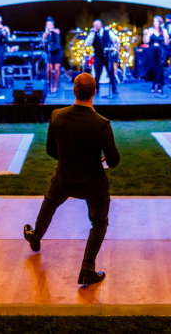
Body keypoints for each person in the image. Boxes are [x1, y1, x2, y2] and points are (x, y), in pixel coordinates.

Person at [23, 73, 120, 286]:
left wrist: (70, 158)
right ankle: (86, 269)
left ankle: (36, 236)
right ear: (95, 92)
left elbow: (51, 150)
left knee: (51, 200)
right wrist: (96, 160)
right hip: (93, 184)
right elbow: (113, 161)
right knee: (99, 222)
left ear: (73, 91)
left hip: (64, 178)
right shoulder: (101, 124)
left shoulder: (57, 115)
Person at [84, 19, 120, 94]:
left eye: (97, 25)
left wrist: (114, 44)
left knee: (111, 72)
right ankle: (96, 89)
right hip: (98, 56)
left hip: (107, 56)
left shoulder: (107, 32)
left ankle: (114, 88)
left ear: (101, 25)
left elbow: (116, 39)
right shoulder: (93, 34)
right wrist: (92, 34)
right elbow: (87, 43)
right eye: (94, 25)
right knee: (97, 74)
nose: (95, 27)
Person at [143, 15, 170, 94]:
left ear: (160, 22)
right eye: (154, 21)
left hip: (160, 51)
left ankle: (159, 84)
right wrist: (145, 34)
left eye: (157, 21)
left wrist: (166, 36)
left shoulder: (163, 30)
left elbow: (166, 43)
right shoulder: (150, 30)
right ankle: (153, 83)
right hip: (152, 51)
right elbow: (146, 41)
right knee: (153, 67)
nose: (155, 23)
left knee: (160, 67)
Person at [42, 17, 62, 93]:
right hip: (49, 52)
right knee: (49, 70)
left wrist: (51, 30)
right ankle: (50, 85)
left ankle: (56, 85)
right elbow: (43, 44)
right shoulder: (45, 34)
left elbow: (58, 32)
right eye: (47, 25)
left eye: (50, 25)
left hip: (57, 52)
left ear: (53, 26)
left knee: (56, 69)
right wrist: (45, 35)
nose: (48, 26)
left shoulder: (56, 31)